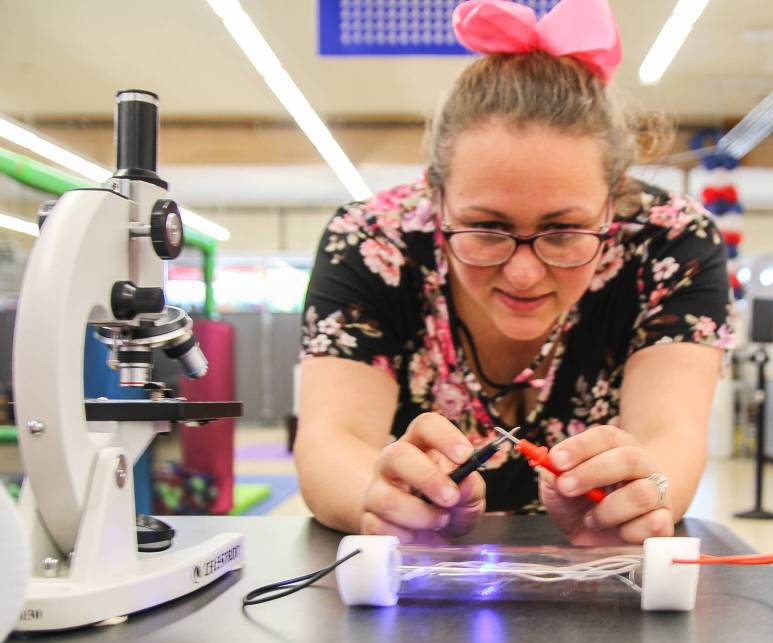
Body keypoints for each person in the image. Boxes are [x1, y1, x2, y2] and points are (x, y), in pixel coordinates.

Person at [295, 0, 733, 546]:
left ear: (613, 201)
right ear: (436, 198)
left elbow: (672, 437)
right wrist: (381, 496)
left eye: (564, 232)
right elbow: (331, 439)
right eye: (486, 229)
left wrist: (641, 495)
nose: (524, 274)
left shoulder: (673, 242)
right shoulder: (370, 240)